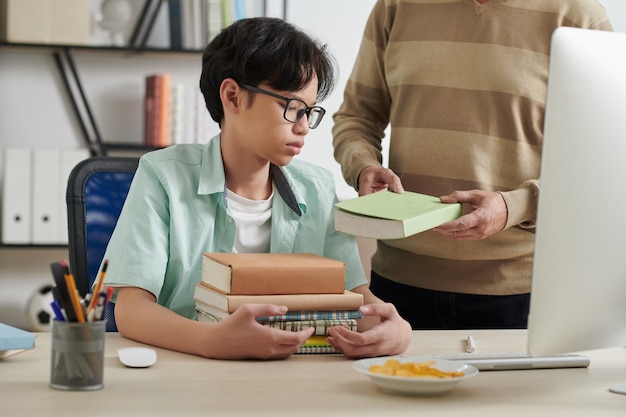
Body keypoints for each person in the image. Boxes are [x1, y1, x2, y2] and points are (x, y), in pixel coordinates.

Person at [100, 17, 412, 360]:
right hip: (189, 369)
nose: (304, 127)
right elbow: (130, 311)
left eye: (309, 112)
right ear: (233, 97)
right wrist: (211, 341)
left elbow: (354, 297)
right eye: (292, 108)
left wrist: (393, 329)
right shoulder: (163, 176)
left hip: (295, 374)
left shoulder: (318, 189)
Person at [332, 0, 612, 329]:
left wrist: (516, 206)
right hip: (398, 287)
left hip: (522, 293)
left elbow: (606, 154)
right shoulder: (396, 6)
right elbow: (356, 118)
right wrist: (363, 166)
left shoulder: (579, 16)